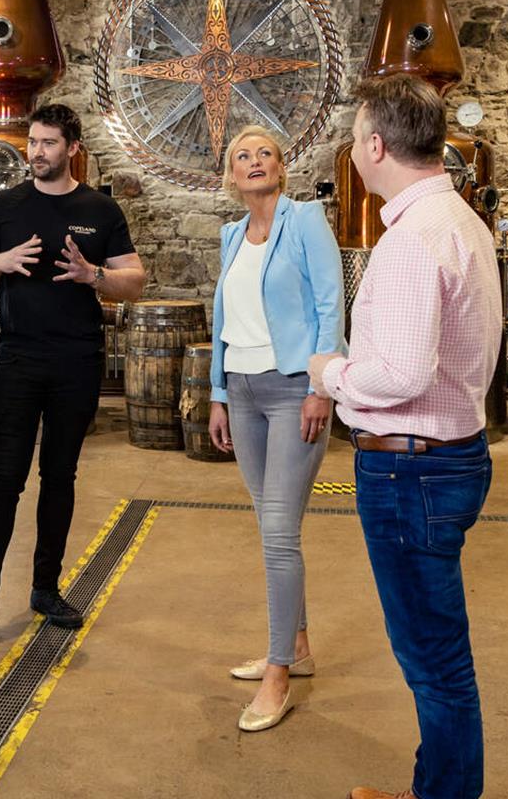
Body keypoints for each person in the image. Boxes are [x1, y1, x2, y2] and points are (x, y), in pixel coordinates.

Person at [305, 76, 503, 799]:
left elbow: (399, 374)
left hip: (411, 473)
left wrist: (330, 374)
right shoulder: (459, 220)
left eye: (355, 137)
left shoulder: (411, 241)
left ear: (377, 146)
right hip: (451, 458)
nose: (353, 149)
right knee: (437, 652)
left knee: (435, 663)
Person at [0, 103, 147, 663]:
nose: (37, 152)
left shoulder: (99, 209)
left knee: (60, 477)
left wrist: (95, 276)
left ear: (72, 148)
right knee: (2, 483)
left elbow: (134, 282)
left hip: (77, 362)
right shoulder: (7, 207)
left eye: (48, 143)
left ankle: (45, 588)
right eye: (33, 143)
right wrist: (2, 260)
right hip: (17, 360)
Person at [205, 125, 345, 734]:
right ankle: (300, 645)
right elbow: (222, 321)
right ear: (232, 177)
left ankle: (279, 673)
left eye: (265, 152)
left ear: (281, 169)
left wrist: (321, 387)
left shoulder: (307, 220)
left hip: (294, 391)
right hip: (242, 391)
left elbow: (330, 307)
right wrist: (216, 393)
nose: (254, 160)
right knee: (272, 525)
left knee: (279, 535)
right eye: (243, 155)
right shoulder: (232, 235)